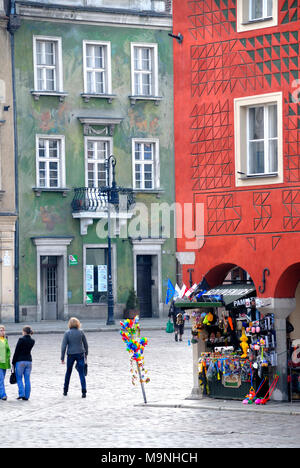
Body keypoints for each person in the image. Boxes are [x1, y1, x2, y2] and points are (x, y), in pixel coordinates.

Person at [61, 317, 88, 398]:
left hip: (71, 354)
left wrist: (62, 357)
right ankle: (84, 391)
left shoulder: (67, 333)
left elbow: (63, 346)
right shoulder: (81, 332)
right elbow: (85, 344)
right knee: (81, 373)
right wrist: (86, 354)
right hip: (80, 354)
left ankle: (65, 390)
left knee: (68, 372)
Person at [12, 326, 35, 401]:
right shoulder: (32, 341)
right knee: (27, 379)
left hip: (20, 361)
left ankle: (21, 394)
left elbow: (16, 351)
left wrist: (13, 361)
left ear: (24, 332)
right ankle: (27, 396)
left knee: (19, 378)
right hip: (29, 361)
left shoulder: (21, 339)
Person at [0, 325, 11, 401]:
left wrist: (8, 356)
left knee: (2, 379)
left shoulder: (5, 340)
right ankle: (3, 395)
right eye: (0, 330)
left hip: (5, 363)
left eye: (3, 330)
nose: (2, 332)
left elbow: (8, 350)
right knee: (1, 379)